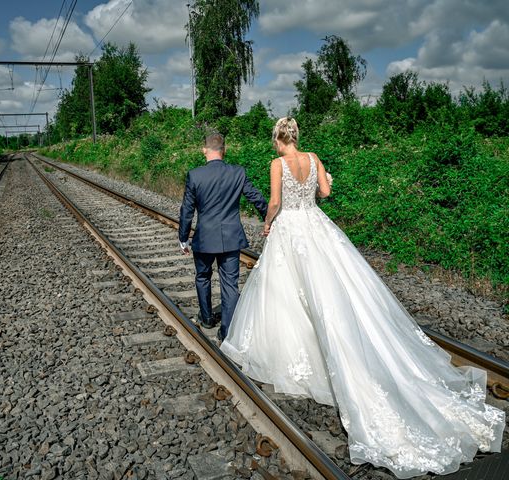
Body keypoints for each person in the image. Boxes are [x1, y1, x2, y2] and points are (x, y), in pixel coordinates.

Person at [220, 117, 505, 478]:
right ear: (296, 137)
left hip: (291, 228)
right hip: (316, 226)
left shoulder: (278, 164)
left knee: (288, 294)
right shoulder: (313, 157)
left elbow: (274, 201)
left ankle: (295, 354)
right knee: (331, 290)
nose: (275, 147)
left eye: (274, 141)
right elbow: (325, 194)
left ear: (279, 138)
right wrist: (322, 183)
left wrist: (268, 222)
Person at [179, 132, 268, 341]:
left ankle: (207, 318)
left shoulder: (195, 175)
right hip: (231, 237)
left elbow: (187, 210)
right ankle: (228, 330)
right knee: (230, 283)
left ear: (204, 150)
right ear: (224, 150)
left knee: (203, 277)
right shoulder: (238, 172)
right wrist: (269, 218)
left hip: (204, 238)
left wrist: (183, 237)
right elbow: (256, 198)